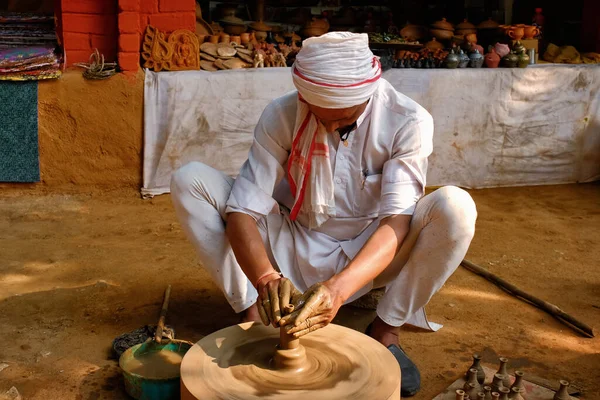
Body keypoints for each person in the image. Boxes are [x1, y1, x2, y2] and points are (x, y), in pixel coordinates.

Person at [171, 32, 477, 397]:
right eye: (321, 118)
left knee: (456, 208)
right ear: (305, 98)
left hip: (369, 249)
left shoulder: (406, 121)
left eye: (344, 121)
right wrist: (266, 277)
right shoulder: (283, 113)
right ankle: (252, 316)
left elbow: (396, 222)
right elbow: (242, 212)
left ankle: (386, 329)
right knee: (189, 180)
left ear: (366, 97)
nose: (331, 129)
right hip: (291, 238)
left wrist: (338, 289)